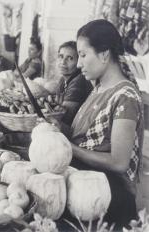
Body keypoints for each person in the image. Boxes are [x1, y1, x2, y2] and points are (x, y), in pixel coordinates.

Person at [48, 19, 144, 229]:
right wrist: (56, 127)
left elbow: (119, 163)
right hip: (85, 181)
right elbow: (84, 137)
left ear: (103, 54)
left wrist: (69, 148)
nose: (79, 63)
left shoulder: (125, 96)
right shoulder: (98, 89)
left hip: (108, 195)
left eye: (82, 55)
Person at [55, 41, 92, 125]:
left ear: (79, 61)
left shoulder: (79, 81)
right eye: (61, 57)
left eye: (70, 58)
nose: (63, 62)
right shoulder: (63, 79)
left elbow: (64, 117)